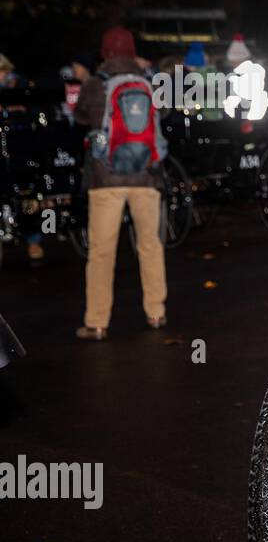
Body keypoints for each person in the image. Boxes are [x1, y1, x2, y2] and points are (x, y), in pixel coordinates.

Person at [72, 27, 169, 340]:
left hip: (106, 178)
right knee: (150, 246)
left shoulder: (95, 83)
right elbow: (163, 112)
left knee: (101, 251)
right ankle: (156, 312)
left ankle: (97, 322)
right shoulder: (149, 81)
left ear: (105, 52)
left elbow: (80, 118)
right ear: (131, 51)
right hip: (146, 176)